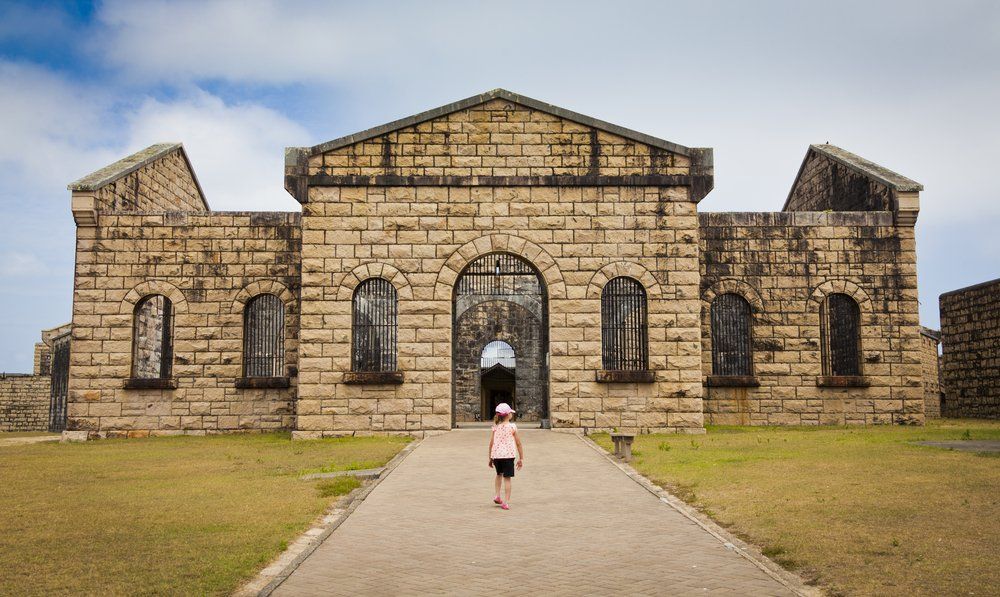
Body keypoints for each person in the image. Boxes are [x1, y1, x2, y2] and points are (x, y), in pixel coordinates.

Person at [488, 402, 523, 510]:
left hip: (497, 455)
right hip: (508, 456)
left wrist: (490, 457)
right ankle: (506, 502)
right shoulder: (512, 426)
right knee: (507, 478)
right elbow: (518, 443)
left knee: (499, 474)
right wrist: (521, 458)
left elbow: (491, 443)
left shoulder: (495, 427)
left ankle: (497, 495)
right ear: (508, 415)